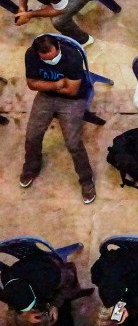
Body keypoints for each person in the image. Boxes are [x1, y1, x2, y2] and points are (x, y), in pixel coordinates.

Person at [20, 35, 96, 204]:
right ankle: (31, 167)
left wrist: (45, 84)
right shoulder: (31, 55)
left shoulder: (72, 56)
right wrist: (56, 85)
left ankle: (86, 180)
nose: (52, 61)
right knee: (32, 135)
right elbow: (32, 84)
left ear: (58, 47)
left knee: (73, 143)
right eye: (46, 59)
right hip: (46, 96)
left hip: (73, 100)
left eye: (54, 57)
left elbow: (71, 91)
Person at [0, 252, 88, 326]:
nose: (33, 310)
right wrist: (24, 314)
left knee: (63, 320)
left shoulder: (49, 277)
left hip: (52, 267)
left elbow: (70, 278)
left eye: (30, 308)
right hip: (26, 271)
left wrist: (55, 305)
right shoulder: (8, 287)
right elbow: (13, 302)